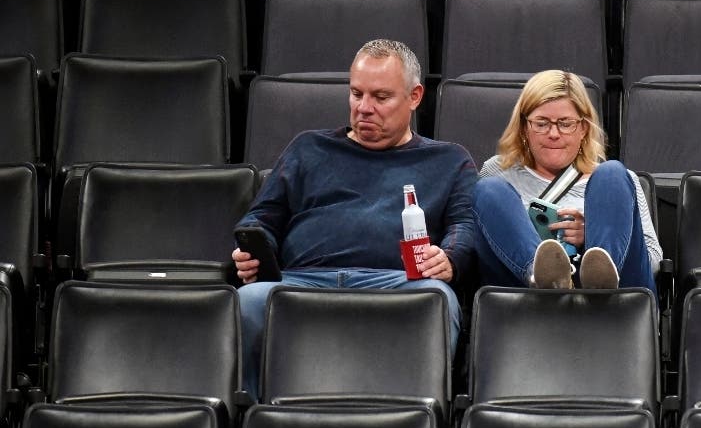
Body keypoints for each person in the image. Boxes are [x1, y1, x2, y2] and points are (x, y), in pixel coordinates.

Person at [232, 38, 477, 399]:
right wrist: (254, 251)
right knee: (247, 300)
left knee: (436, 298)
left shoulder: (450, 160)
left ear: (414, 96)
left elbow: (465, 225)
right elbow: (262, 218)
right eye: (356, 94)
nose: (364, 108)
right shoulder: (308, 147)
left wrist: (449, 258)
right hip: (302, 281)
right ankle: (254, 417)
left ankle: (418, 419)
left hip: (397, 284)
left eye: (381, 97)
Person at [472, 69, 662, 291]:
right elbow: (476, 247)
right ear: (524, 127)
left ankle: (602, 275)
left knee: (611, 172)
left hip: (611, 298)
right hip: (527, 295)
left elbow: (653, 260)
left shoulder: (620, 182)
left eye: (565, 123)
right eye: (541, 123)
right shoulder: (496, 170)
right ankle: (543, 276)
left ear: (583, 128)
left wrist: (591, 237)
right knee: (489, 190)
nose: (554, 133)